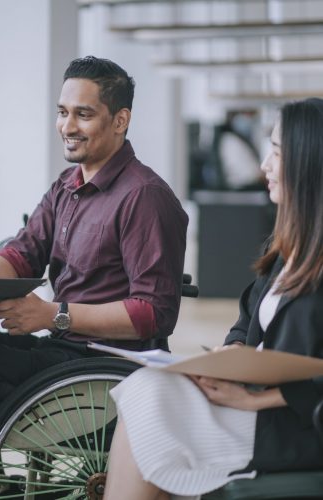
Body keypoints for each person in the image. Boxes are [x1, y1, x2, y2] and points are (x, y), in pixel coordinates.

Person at [0, 55, 188, 499]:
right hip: (60, 351)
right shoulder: (68, 184)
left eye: (84, 114)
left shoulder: (144, 197)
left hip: (102, 367)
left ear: (120, 120)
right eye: (62, 111)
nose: (68, 125)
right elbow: (23, 252)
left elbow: (154, 314)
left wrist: (54, 315)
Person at [104, 97, 323, 500]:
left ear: (308, 163)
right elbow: (248, 317)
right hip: (256, 401)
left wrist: (255, 400)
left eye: (276, 152)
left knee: (151, 402)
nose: (264, 167)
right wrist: (234, 349)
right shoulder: (290, 250)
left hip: (294, 423)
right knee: (147, 387)